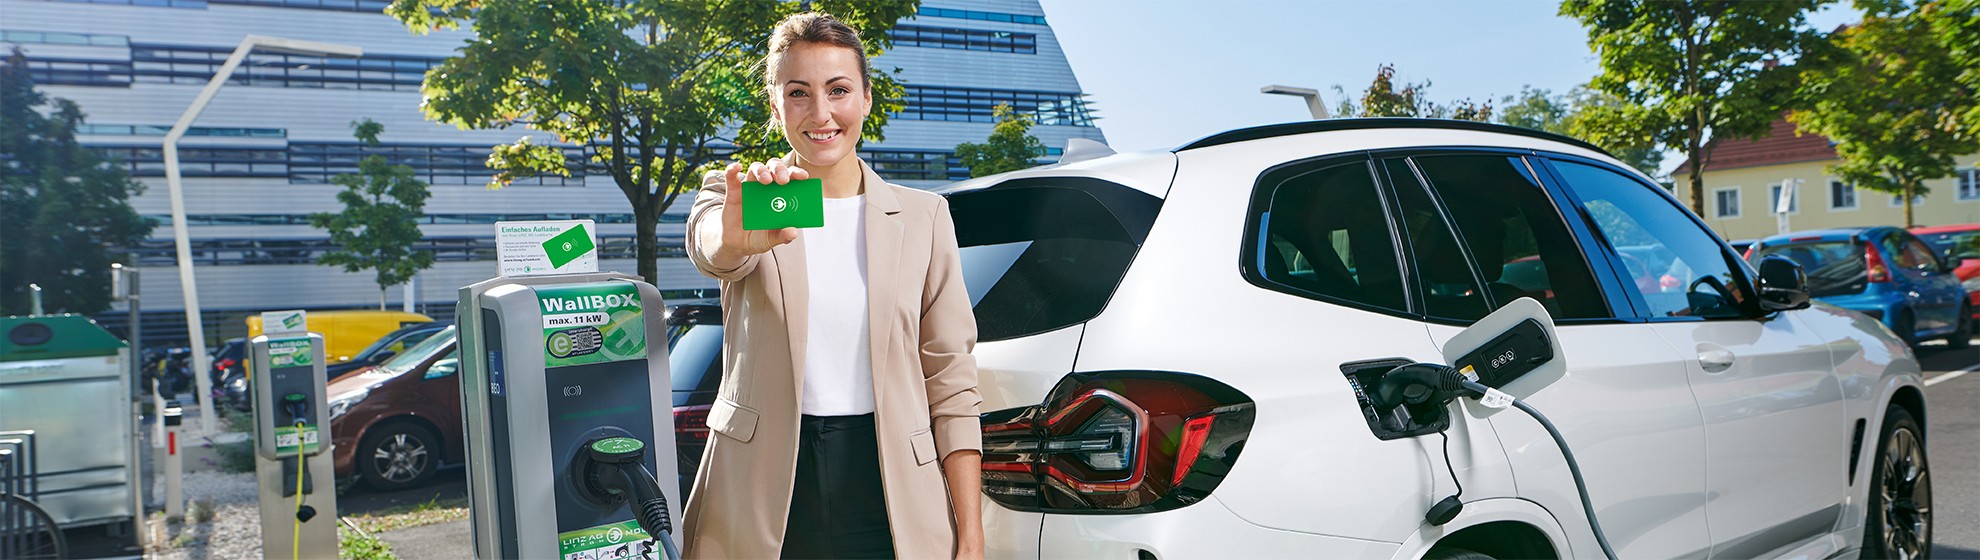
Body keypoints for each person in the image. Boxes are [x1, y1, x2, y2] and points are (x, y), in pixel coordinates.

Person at [680, 11, 985, 560]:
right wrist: (735, 241)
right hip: (762, 488)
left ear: (866, 98)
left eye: (838, 90)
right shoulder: (747, 199)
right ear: (776, 106)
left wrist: (972, 536)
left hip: (889, 487)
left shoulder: (923, 218)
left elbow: (951, 382)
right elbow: (711, 246)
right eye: (798, 93)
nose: (821, 113)